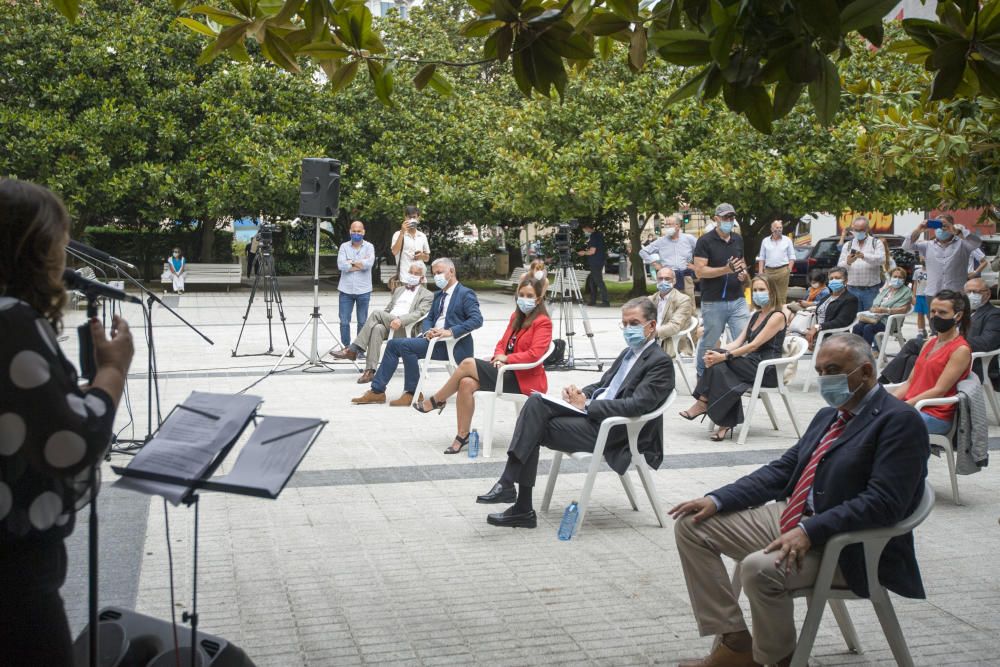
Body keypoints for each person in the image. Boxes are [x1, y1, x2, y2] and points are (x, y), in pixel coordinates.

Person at [671, 334, 929, 667]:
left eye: (834, 370)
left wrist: (811, 530)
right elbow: (784, 470)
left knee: (759, 570)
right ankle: (735, 644)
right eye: (820, 370)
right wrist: (718, 499)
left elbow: (883, 503)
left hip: (847, 545)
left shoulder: (899, 422)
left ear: (865, 372)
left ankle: (780, 660)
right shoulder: (829, 415)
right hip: (796, 519)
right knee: (693, 525)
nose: (825, 379)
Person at [1, 179, 135, 665]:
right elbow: (73, 445)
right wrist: (112, 371)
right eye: (59, 242)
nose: (64, 257)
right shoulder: (11, 321)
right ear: (32, 248)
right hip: (14, 569)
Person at [476, 298, 674, 528]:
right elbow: (605, 385)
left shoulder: (660, 363)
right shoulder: (628, 353)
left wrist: (587, 405)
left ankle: (516, 497)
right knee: (535, 405)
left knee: (533, 421)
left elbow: (636, 406)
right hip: (595, 418)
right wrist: (580, 393)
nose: (629, 329)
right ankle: (513, 495)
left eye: (634, 323)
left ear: (651, 326)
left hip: (615, 431)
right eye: (625, 324)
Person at [414, 279, 552, 454]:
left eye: (529, 296)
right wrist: (499, 357)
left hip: (522, 379)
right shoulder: (516, 317)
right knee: (465, 383)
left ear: (539, 299)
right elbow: (502, 343)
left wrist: (507, 360)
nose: (524, 299)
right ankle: (462, 435)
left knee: (467, 363)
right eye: (522, 295)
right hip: (504, 371)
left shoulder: (543, 322)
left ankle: (436, 400)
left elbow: (535, 354)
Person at [352, 257, 483, 406]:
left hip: (452, 345)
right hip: (433, 341)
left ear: (451, 271)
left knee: (406, 346)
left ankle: (411, 393)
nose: (436, 277)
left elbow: (477, 320)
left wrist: (450, 331)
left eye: (440, 272)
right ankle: (377, 392)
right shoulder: (438, 295)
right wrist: (427, 331)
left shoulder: (465, 293)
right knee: (393, 344)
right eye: (434, 274)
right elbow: (429, 319)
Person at [680, 276, 786, 441]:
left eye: (762, 290)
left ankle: (703, 403)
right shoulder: (755, 315)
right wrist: (714, 353)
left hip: (767, 369)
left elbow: (753, 345)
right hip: (751, 365)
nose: (758, 294)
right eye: (755, 290)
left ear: (772, 292)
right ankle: (723, 422)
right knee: (718, 365)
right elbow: (737, 342)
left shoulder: (777, 316)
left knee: (720, 364)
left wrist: (724, 356)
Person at [881, 278, 1000, 389]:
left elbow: (987, 343)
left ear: (987, 294)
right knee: (913, 359)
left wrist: (952, 341)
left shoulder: (994, 314)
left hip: (972, 361)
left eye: (975, 292)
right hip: (946, 352)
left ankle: (885, 383)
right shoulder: (962, 311)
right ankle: (906, 394)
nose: (971, 295)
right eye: (968, 292)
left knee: (913, 344)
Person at [332, 261, 433, 384]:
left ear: (422, 278)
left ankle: (353, 349)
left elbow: (420, 313)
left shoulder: (428, 294)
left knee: (376, 313)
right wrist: (388, 318)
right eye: (411, 272)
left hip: (405, 327)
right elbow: (388, 309)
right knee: (377, 328)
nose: (412, 275)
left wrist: (400, 320)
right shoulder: (399, 290)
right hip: (389, 323)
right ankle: (370, 371)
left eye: (416, 273)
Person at [888, 290, 972, 434]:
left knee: (882, 428)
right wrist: (888, 402)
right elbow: (910, 382)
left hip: (934, 414)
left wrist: (903, 407)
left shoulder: (960, 350)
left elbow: (939, 390)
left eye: (942, 312)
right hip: (912, 407)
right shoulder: (930, 343)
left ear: (957, 316)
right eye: (933, 311)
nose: (935, 316)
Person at [692, 203, 750, 377]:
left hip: (737, 299)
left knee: (744, 338)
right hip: (713, 301)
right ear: (716, 219)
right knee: (710, 341)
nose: (729, 221)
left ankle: (743, 377)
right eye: (725, 218)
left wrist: (743, 274)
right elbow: (700, 271)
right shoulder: (705, 241)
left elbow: (742, 263)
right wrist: (726, 270)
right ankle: (702, 374)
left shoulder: (738, 239)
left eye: (732, 218)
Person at [903, 213, 981, 296]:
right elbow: (906, 246)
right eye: (938, 225)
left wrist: (956, 231)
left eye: (944, 225)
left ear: (951, 226)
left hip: (957, 294)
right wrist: (918, 230)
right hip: (933, 294)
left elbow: (977, 242)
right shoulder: (927, 245)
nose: (941, 229)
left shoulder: (963, 244)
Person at [639, 214, 698, 304]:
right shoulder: (661, 241)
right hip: (668, 278)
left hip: (685, 277)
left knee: (688, 305)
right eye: (666, 225)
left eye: (670, 224)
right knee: (668, 306)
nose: (668, 227)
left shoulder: (689, 239)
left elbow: (701, 251)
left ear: (678, 226)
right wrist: (655, 265)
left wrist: (696, 266)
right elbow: (643, 252)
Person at [336, 220, 375, 347]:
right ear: (350, 232)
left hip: (364, 290)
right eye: (354, 231)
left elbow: (369, 264)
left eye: (359, 231)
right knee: (344, 321)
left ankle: (358, 348)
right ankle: (346, 347)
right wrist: (360, 263)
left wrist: (350, 262)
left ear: (363, 232)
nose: (356, 233)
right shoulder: (344, 246)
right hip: (345, 290)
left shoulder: (369, 247)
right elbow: (341, 265)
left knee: (363, 322)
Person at [851, 267, 913, 347]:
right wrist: (874, 309)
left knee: (868, 328)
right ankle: (855, 350)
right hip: (874, 318)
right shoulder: (887, 289)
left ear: (904, 279)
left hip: (889, 321)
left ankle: (868, 352)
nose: (897, 279)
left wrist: (885, 310)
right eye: (895, 276)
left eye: (900, 277)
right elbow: (876, 302)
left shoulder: (906, 291)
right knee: (857, 327)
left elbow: (903, 309)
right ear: (891, 277)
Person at [803, 267, 859, 350]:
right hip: (818, 333)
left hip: (833, 335)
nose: (833, 281)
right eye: (831, 278)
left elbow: (841, 322)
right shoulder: (826, 297)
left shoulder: (850, 299)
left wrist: (817, 327)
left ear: (846, 281)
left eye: (837, 278)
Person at [836, 216, 885, 311]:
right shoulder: (848, 245)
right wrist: (848, 262)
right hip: (852, 289)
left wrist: (864, 256)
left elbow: (881, 260)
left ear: (867, 229)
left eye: (861, 230)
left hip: (871, 290)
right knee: (853, 320)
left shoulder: (876, 243)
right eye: (856, 230)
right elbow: (840, 266)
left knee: (870, 319)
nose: (858, 232)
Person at [650, 267, 694, 357]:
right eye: (660, 279)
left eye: (667, 279)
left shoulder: (683, 300)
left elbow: (675, 326)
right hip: (651, 339)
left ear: (674, 281)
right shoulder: (651, 299)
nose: (663, 282)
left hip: (671, 341)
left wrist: (651, 333)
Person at [756, 220, 795, 307]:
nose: (779, 229)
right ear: (771, 229)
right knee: (768, 294)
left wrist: (789, 269)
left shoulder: (787, 240)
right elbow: (762, 257)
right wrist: (760, 272)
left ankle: (780, 315)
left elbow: (792, 256)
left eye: (780, 227)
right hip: (769, 271)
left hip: (783, 270)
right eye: (777, 227)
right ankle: (769, 314)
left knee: (781, 296)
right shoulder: (765, 241)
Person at [390, 205, 431, 278]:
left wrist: (422, 256)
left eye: (414, 217)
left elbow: (427, 258)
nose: (412, 219)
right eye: (409, 217)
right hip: (404, 277)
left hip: (420, 278)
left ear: (418, 218)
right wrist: (402, 232)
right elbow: (394, 252)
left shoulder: (422, 236)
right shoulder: (397, 234)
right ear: (405, 218)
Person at [577, 222, 609, 307]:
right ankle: (593, 300)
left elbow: (592, 251)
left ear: (587, 228)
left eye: (584, 230)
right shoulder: (598, 235)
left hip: (596, 262)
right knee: (592, 281)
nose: (584, 232)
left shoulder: (594, 236)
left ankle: (605, 301)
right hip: (598, 261)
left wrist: (583, 253)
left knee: (598, 281)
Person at [912, 263, 929, 337]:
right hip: (919, 295)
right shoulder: (917, 271)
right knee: (920, 314)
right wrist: (914, 296)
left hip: (928, 295)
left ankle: (933, 330)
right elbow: (915, 284)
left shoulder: (932, 271)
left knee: (929, 314)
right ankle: (921, 331)